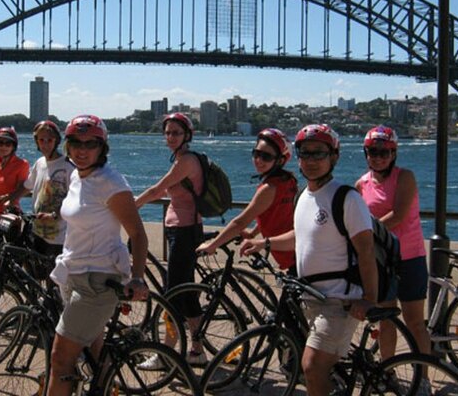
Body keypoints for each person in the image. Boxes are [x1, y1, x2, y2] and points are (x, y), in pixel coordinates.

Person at [241, 124, 377, 396]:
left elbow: (366, 251)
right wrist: (263, 243)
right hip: (310, 297)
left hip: (339, 300)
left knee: (311, 367)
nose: (312, 161)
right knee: (319, 369)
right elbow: (299, 236)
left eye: (319, 154)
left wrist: (369, 299)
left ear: (334, 157)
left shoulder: (347, 198)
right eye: (305, 154)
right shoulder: (304, 196)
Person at [47, 114, 148, 396]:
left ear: (102, 148)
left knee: (60, 358)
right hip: (74, 274)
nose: (82, 150)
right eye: (75, 143)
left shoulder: (111, 182)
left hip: (97, 282)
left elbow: (138, 234)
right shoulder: (78, 177)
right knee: (94, 351)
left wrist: (137, 277)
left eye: (90, 144)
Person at [134, 112, 207, 364]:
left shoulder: (185, 161)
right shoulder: (181, 159)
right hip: (184, 230)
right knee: (186, 293)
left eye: (176, 132)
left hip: (185, 232)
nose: (170, 137)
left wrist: (132, 206)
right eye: (167, 132)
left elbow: (158, 189)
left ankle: (166, 353)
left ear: (187, 135)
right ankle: (197, 351)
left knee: (172, 294)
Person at [356, 125, 431, 359]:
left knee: (415, 323)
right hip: (382, 262)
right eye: (372, 152)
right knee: (386, 322)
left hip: (409, 258)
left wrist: (365, 234)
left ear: (393, 154)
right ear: (365, 153)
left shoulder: (404, 177)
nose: (378, 157)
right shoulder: (361, 184)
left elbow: (398, 215)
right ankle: (387, 372)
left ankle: (423, 379)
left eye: (384, 152)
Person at [197, 128, 297, 273]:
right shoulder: (288, 180)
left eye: (266, 156)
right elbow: (275, 212)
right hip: (297, 254)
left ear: (280, 160)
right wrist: (253, 233)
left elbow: (240, 222)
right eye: (256, 154)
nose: (258, 160)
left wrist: (212, 245)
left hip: (294, 258)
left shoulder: (268, 188)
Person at [8, 120, 73, 262]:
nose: (45, 144)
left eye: (50, 140)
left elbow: (74, 199)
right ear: (36, 141)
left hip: (58, 236)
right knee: (34, 273)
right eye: (41, 140)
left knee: (53, 280)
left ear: (56, 140)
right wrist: (10, 200)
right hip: (37, 231)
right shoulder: (40, 163)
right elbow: (27, 186)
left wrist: (55, 214)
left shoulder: (68, 166)